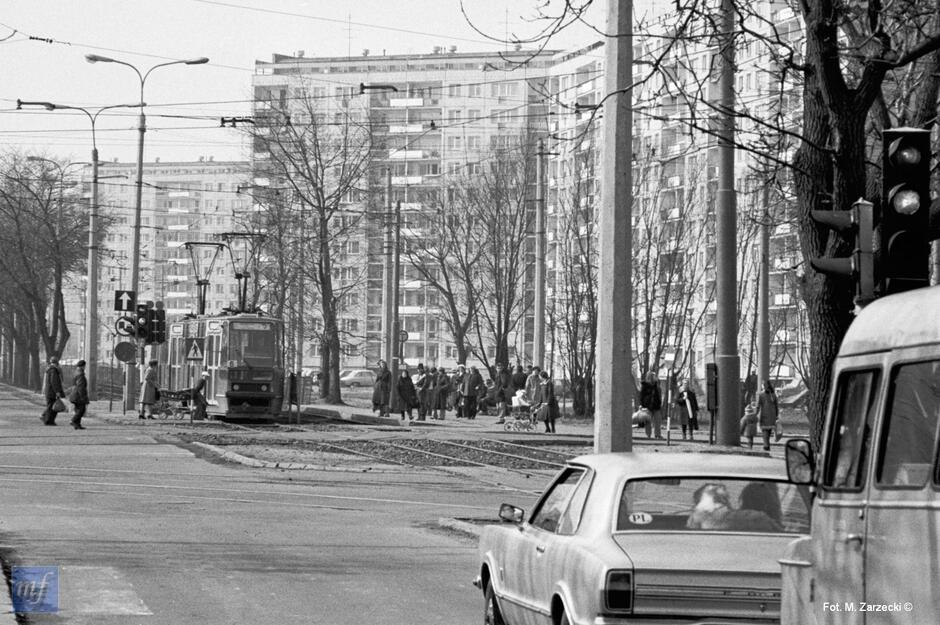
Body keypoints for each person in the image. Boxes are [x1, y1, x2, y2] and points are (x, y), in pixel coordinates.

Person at [41, 356, 66, 426]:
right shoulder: (53, 370)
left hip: (49, 391)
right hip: (52, 392)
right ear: (57, 363)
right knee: (52, 407)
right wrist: (57, 391)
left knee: (51, 406)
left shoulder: (49, 369)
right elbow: (54, 382)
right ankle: (48, 420)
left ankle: (47, 419)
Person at [756, 380, 779, 451]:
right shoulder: (774, 395)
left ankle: (766, 445)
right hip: (772, 415)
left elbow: (758, 406)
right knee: (768, 430)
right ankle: (767, 444)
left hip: (764, 415)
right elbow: (776, 406)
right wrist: (776, 415)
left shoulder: (761, 395)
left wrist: (755, 414)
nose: (762, 386)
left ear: (764, 386)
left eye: (763, 385)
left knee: (764, 430)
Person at [639, 371, 663, 439]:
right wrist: (641, 405)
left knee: (657, 421)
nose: (655, 378)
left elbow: (659, 395)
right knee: (648, 422)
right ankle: (648, 435)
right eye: (654, 376)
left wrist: (660, 403)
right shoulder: (645, 386)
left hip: (656, 406)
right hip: (647, 406)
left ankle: (657, 434)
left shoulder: (657, 386)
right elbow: (641, 396)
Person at [68, 359, 89, 430]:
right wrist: (83, 397)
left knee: (78, 409)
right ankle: (73, 420)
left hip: (74, 394)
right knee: (81, 409)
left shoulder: (76, 372)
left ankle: (77, 424)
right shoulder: (81, 375)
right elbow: (81, 387)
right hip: (78, 395)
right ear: (83, 366)